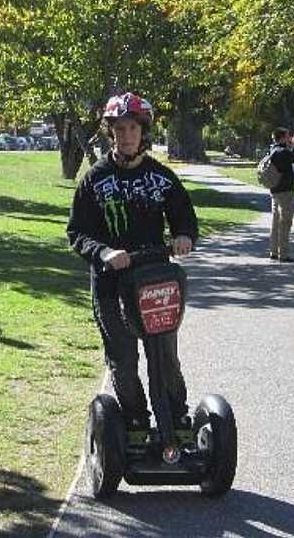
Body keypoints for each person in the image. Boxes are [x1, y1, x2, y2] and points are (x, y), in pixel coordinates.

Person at [67, 92, 198, 436]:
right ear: (111, 133)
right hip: (112, 285)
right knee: (124, 360)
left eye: (133, 128)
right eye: (120, 129)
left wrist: (184, 236)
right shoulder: (94, 179)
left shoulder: (163, 177)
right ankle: (136, 420)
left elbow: (184, 216)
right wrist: (104, 253)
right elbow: (77, 232)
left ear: (143, 132)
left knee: (165, 356)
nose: (127, 135)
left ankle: (177, 419)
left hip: (155, 281)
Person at [268, 128, 294, 262]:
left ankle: (274, 251)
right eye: (288, 136)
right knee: (285, 222)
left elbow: (291, 156)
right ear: (283, 138)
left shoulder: (274, 150)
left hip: (275, 190)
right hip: (285, 191)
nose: (290, 137)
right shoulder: (283, 152)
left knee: (275, 222)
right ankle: (283, 254)